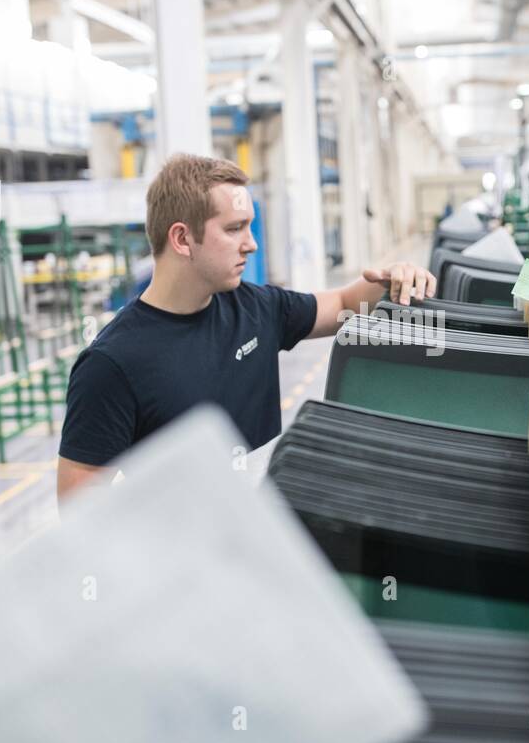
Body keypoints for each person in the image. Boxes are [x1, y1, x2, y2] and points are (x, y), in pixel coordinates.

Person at [56, 153, 436, 501]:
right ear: (182, 238)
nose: (251, 244)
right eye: (235, 228)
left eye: (250, 227)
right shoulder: (113, 363)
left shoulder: (257, 308)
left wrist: (395, 280)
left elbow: (344, 304)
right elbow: (81, 510)